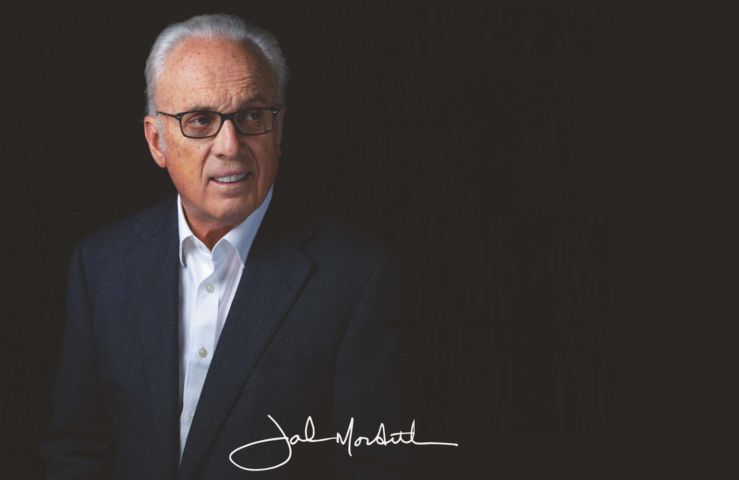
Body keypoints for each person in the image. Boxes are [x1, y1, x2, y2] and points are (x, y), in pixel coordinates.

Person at [41, 13, 408, 479]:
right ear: (157, 141)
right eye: (200, 121)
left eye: (252, 116)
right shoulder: (101, 264)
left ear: (278, 129)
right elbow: (76, 448)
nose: (230, 146)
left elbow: (372, 464)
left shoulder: (356, 277)